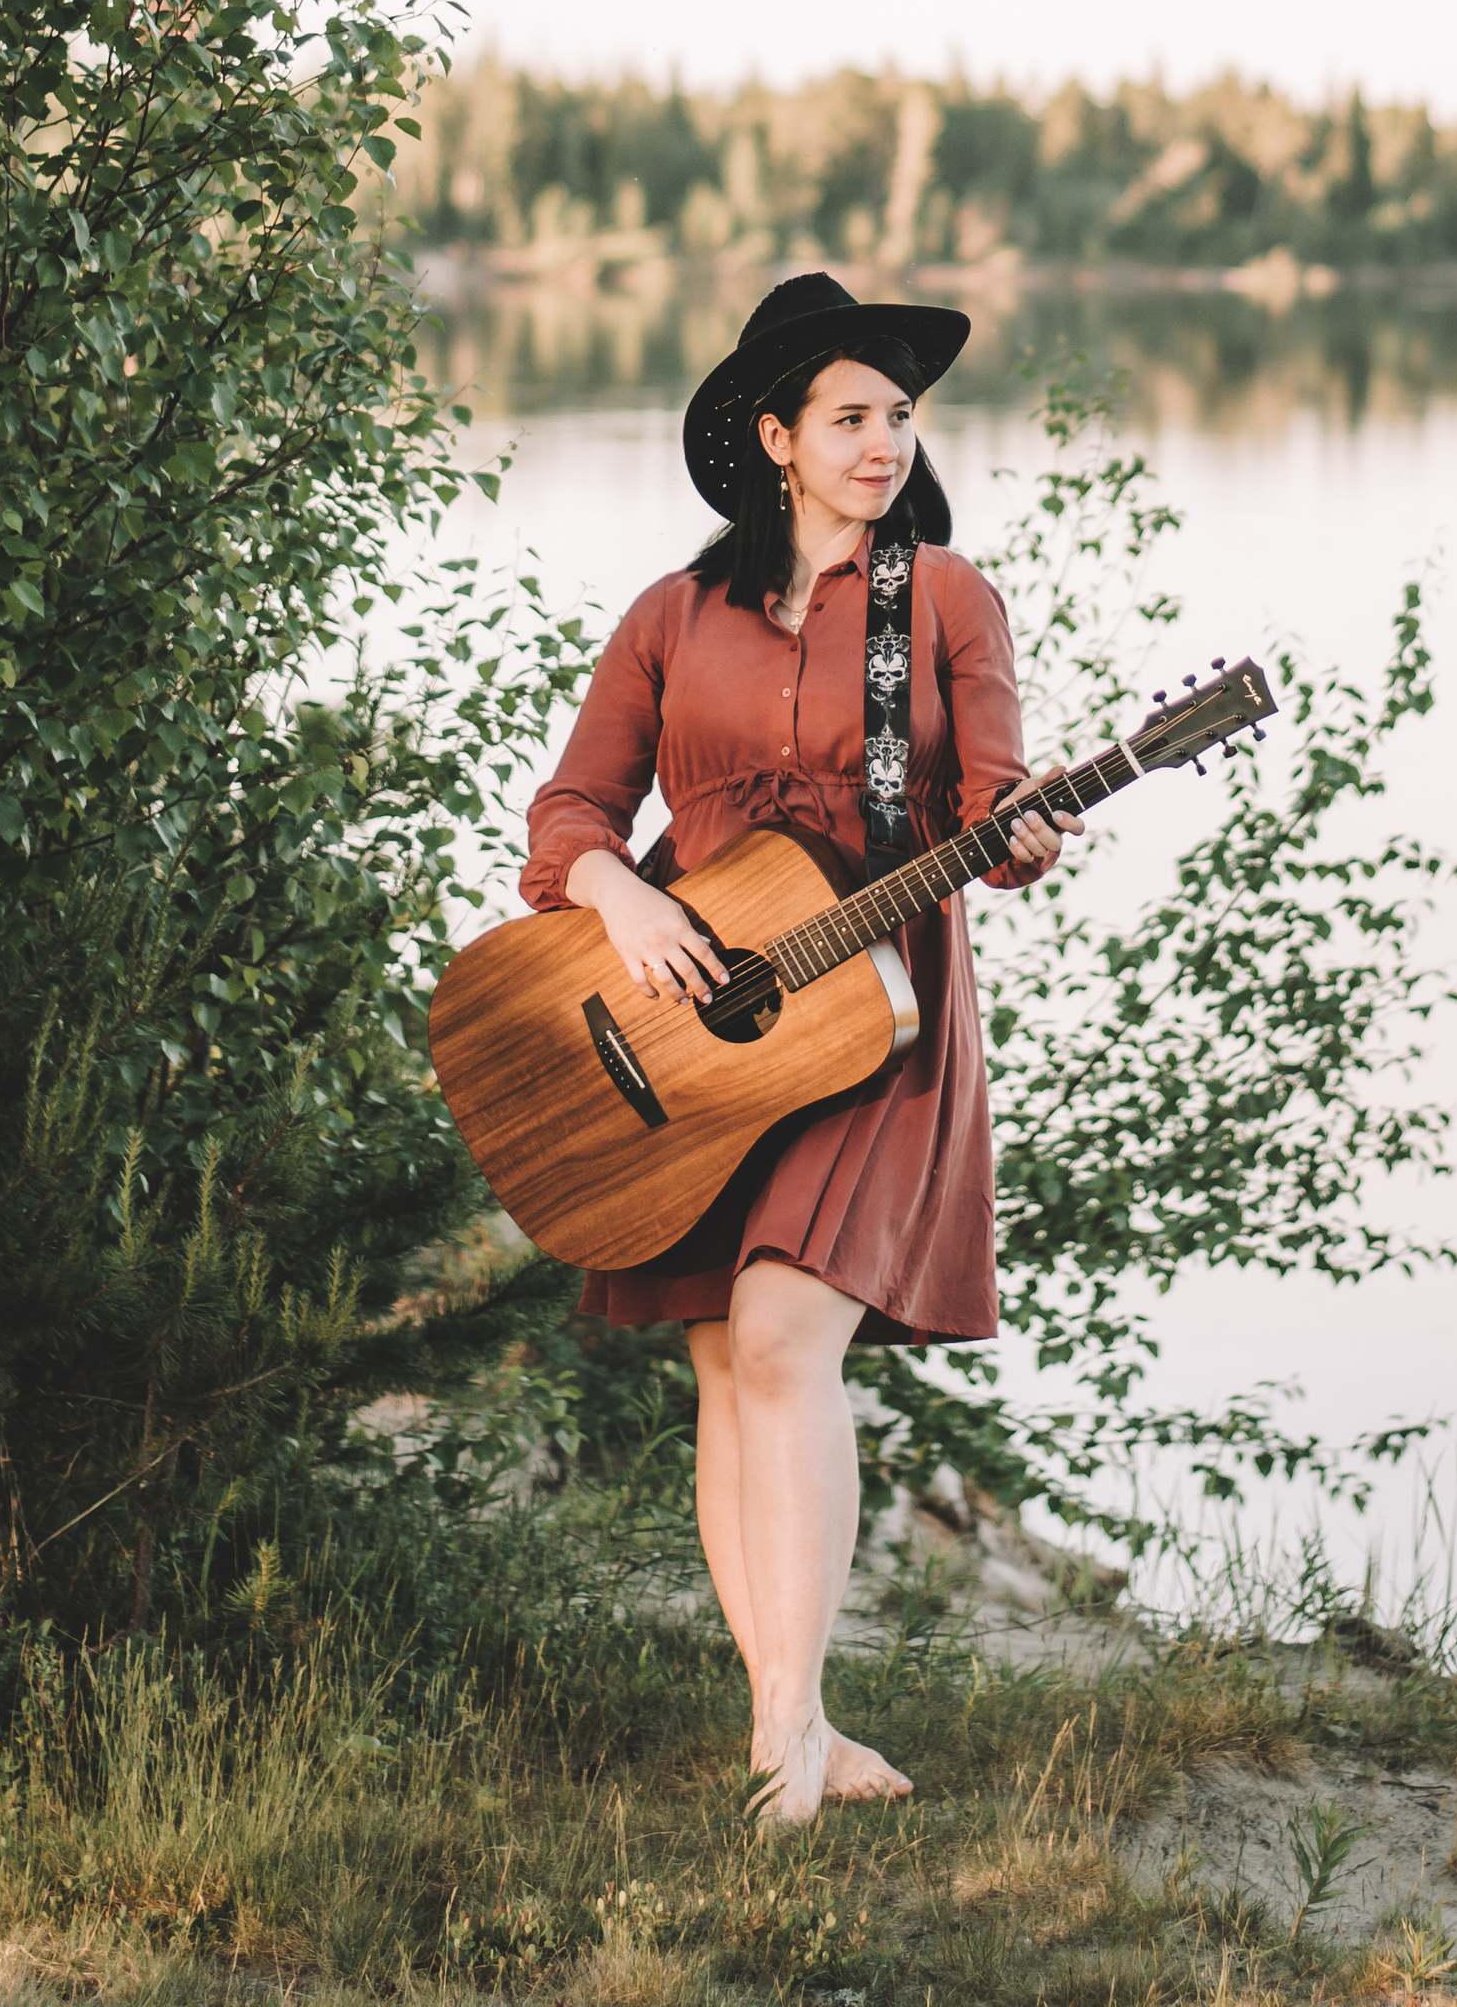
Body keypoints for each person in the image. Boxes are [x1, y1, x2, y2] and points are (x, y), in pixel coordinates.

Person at [518, 271, 1064, 1823]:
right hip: (689, 1035)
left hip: (871, 1021)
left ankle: (784, 1743)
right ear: (775, 436)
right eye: (849, 417)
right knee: (721, 1366)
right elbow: (570, 817)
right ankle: (799, 1731)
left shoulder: (946, 603)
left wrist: (1022, 840)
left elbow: (995, 809)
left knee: (779, 1341)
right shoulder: (673, 617)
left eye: (898, 417)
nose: (883, 443)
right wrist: (616, 889)